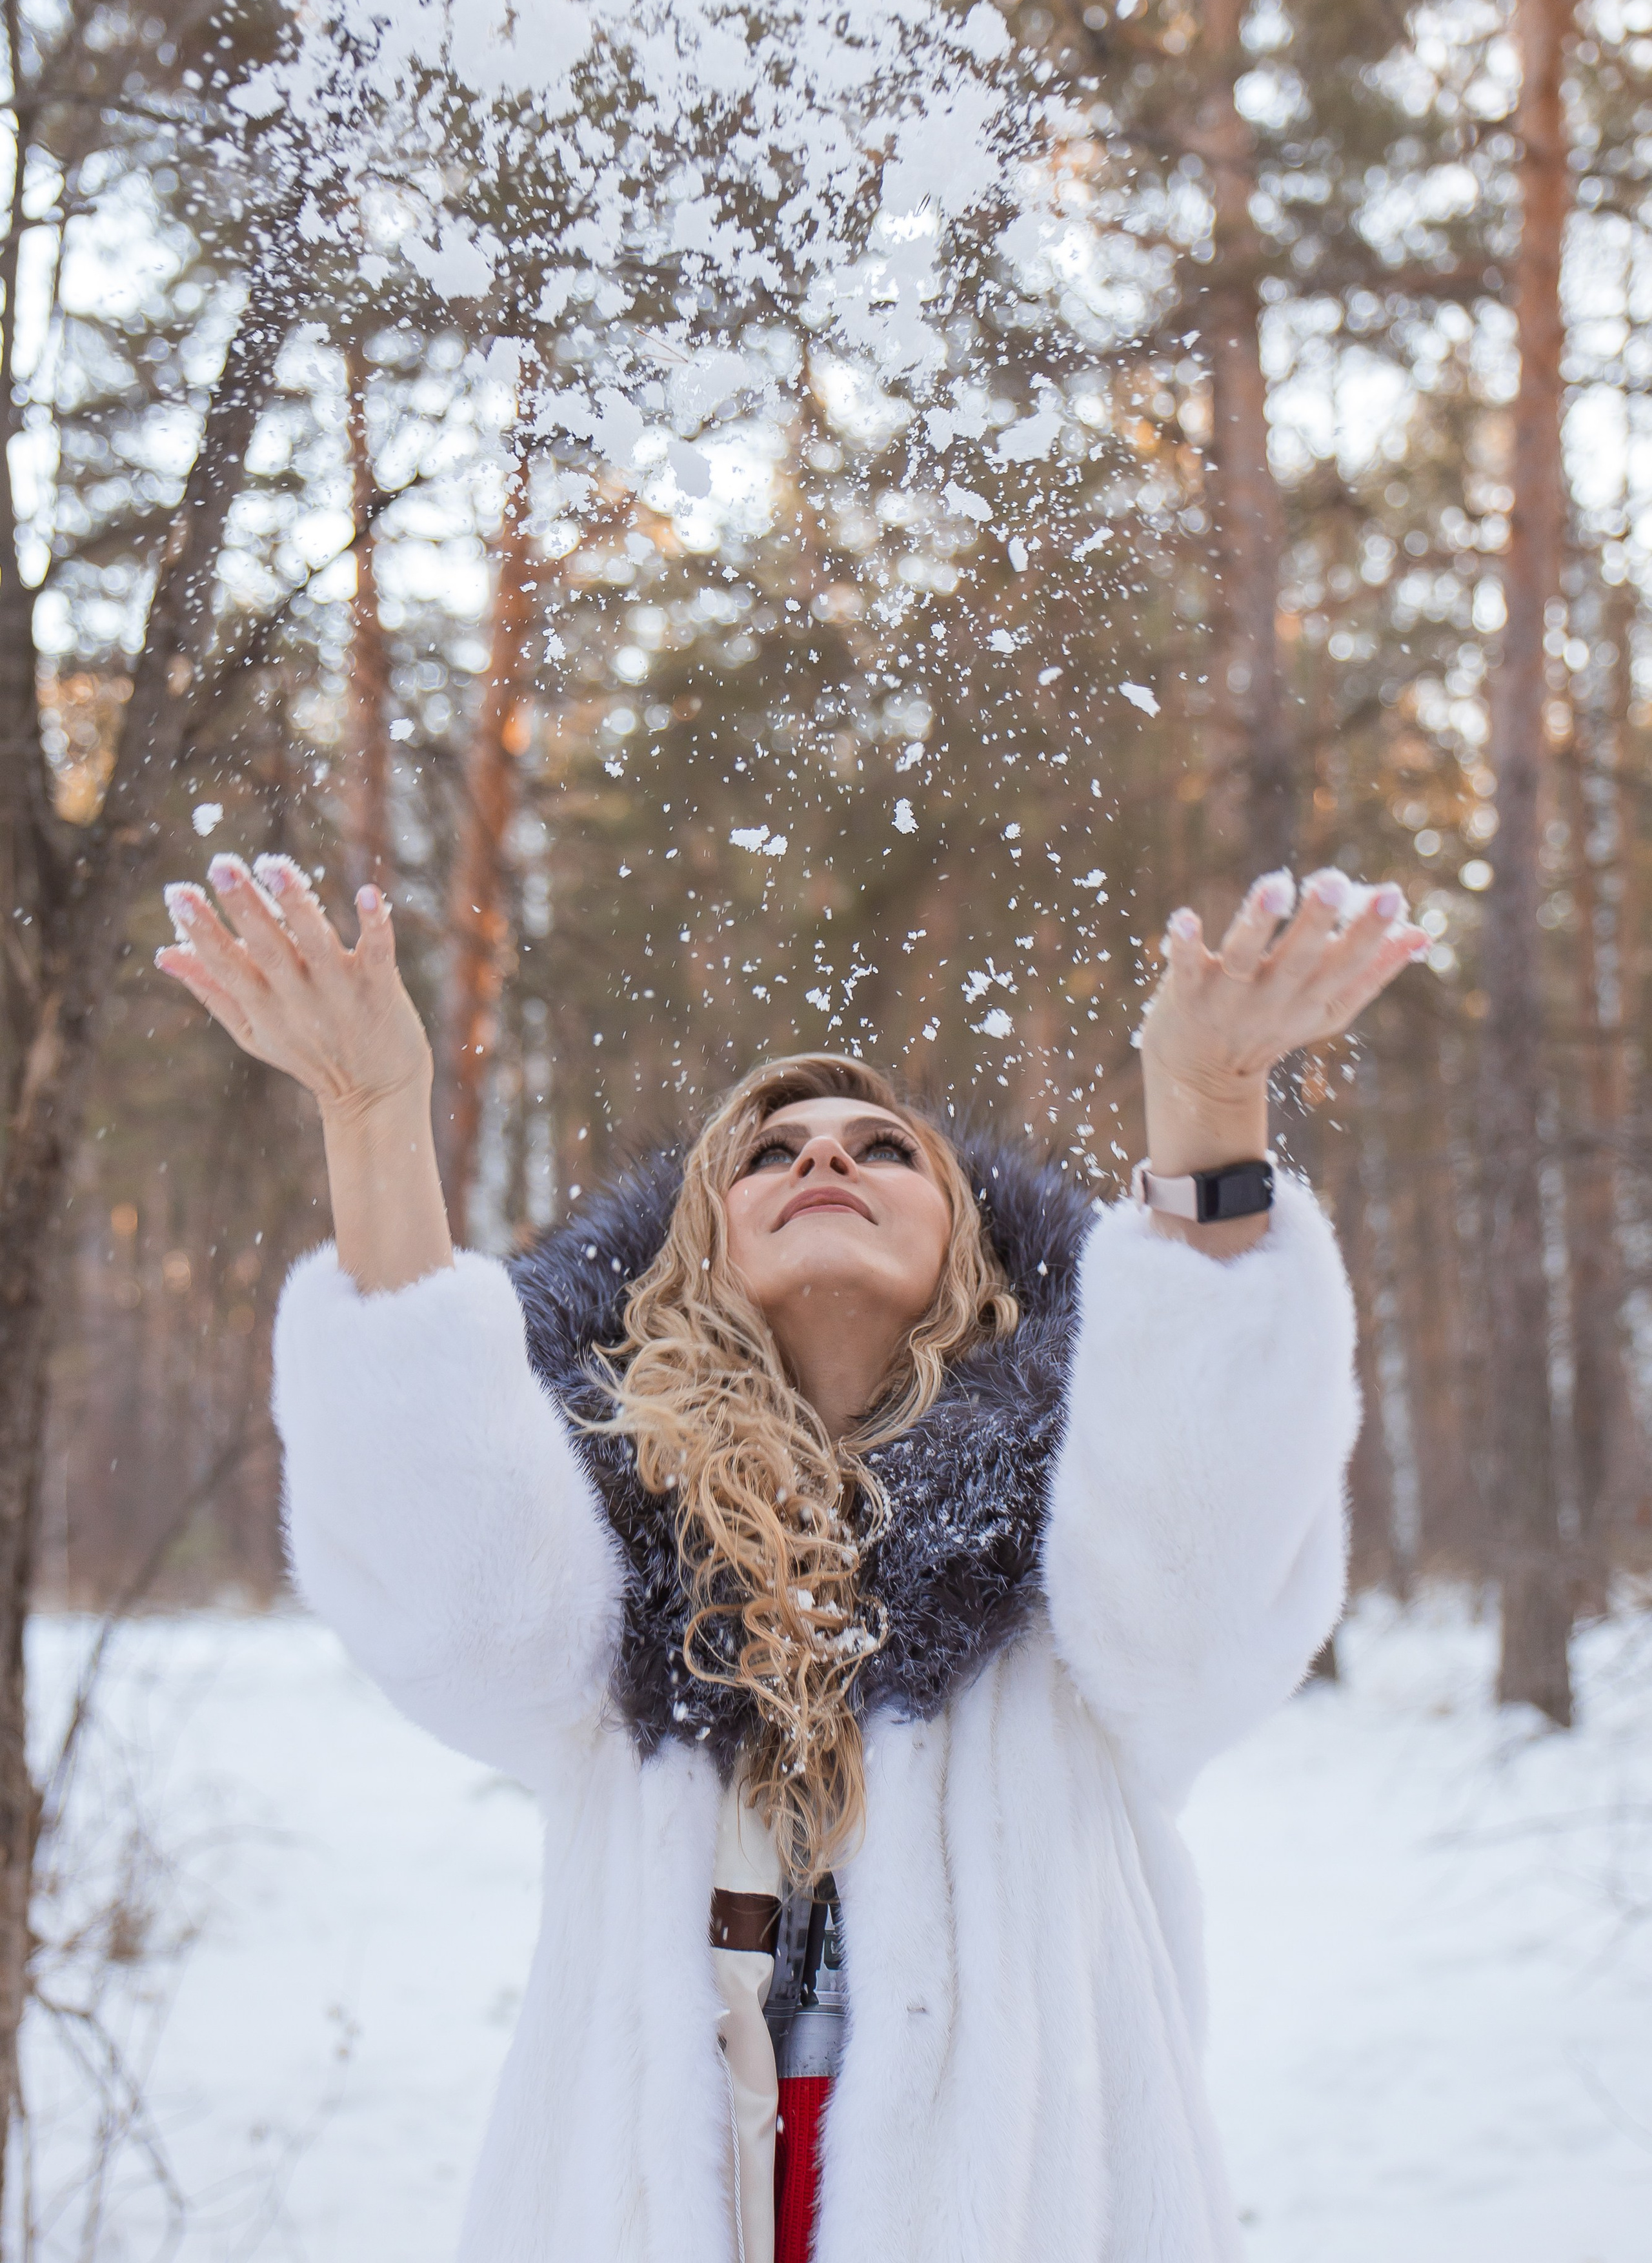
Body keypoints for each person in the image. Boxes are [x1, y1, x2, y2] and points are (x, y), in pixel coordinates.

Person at [157, 851, 1428, 2263]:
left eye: (885, 1149)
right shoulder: (603, 1560)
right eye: (768, 1153)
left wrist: (1208, 1109)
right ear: (698, 1256)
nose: (823, 1158)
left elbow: (1204, 1569)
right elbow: (455, 1587)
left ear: (968, 1248)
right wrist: (372, 1114)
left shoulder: (1076, 1558)